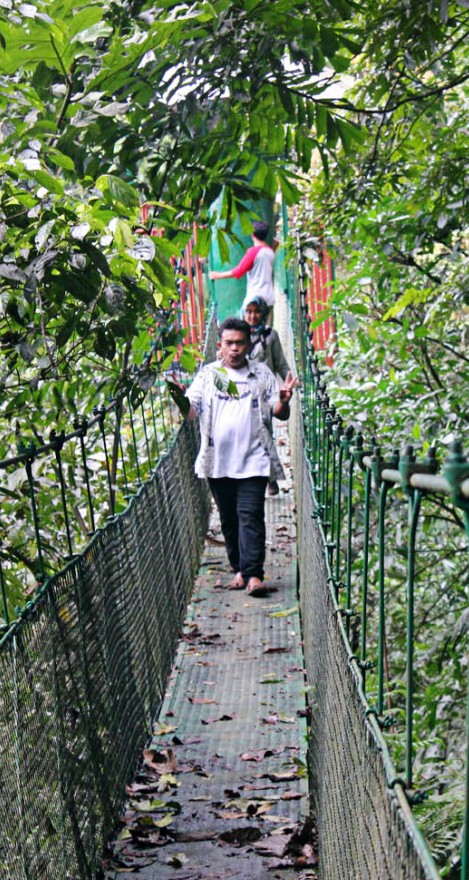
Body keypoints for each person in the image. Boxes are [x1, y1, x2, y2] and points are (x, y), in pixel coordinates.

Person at [167, 318, 299, 597]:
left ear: (248, 345)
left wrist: (284, 401)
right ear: (220, 346)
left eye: (240, 343)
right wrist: (181, 400)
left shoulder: (261, 374)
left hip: (255, 458)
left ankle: (253, 575)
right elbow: (192, 412)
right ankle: (239, 569)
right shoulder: (209, 375)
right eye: (229, 343)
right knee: (228, 518)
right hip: (217, 461)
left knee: (250, 515)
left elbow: (280, 412)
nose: (235, 349)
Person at [243, 296, 291, 495]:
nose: (252, 316)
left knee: (264, 435)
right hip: (241, 394)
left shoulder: (271, 336)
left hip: (264, 396)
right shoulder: (238, 335)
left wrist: (288, 382)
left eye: (257, 312)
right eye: (249, 312)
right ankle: (253, 480)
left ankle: (270, 479)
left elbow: (280, 363)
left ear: (264, 314)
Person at [210, 220, 277, 309]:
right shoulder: (270, 252)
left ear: (252, 235)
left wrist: (218, 275)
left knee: (246, 321)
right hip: (269, 298)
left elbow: (239, 271)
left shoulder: (253, 252)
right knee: (265, 323)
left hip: (255, 298)